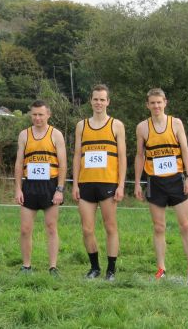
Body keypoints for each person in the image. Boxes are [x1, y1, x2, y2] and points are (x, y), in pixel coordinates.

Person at [134, 88, 188, 281]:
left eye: (159, 102)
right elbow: (140, 155)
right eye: (152, 103)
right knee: (159, 227)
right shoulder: (142, 128)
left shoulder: (176, 123)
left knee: (185, 225)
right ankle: (161, 268)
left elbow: (185, 151)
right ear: (147, 105)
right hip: (155, 181)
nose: (156, 106)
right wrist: (137, 182)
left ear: (165, 102)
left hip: (176, 179)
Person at [72, 84, 126, 281]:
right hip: (86, 183)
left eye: (102, 99)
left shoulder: (116, 125)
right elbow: (77, 155)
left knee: (110, 227)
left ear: (108, 102)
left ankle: (111, 270)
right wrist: (75, 184)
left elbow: (122, 157)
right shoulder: (81, 125)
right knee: (87, 229)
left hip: (108, 184)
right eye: (96, 99)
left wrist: (121, 185)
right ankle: (94, 267)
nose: (99, 103)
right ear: (90, 101)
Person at [14, 100, 67, 276]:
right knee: (25, 229)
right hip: (29, 185)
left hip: (50, 185)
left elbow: (63, 163)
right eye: (34, 114)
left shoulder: (56, 134)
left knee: (51, 227)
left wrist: (60, 189)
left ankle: (53, 267)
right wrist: (18, 188)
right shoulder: (24, 135)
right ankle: (26, 266)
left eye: (41, 114)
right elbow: (19, 163)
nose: (37, 118)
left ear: (48, 115)